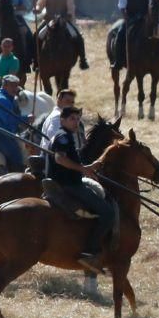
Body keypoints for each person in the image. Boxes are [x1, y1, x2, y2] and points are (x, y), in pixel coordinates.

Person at [45, 106, 115, 273]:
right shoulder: (63, 137)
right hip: (68, 185)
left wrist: (88, 167)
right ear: (62, 120)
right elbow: (60, 159)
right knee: (107, 212)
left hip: (72, 182)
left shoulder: (68, 136)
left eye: (78, 119)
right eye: (72, 119)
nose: (76, 122)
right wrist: (83, 169)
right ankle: (89, 252)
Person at [34, 0, 89, 70]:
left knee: (78, 36)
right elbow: (39, 4)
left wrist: (64, 18)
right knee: (36, 35)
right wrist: (37, 9)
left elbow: (70, 11)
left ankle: (83, 60)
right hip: (48, 21)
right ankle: (35, 60)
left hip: (64, 21)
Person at [0, 74, 32, 172]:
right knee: (16, 156)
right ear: (4, 86)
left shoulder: (8, 97)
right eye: (12, 85)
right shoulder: (1, 99)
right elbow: (9, 120)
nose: (15, 88)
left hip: (5, 131)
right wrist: (27, 119)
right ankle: (17, 175)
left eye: (16, 85)